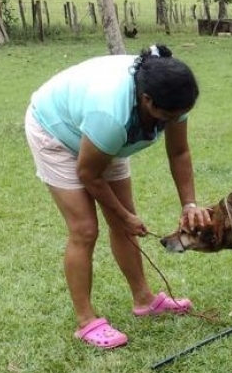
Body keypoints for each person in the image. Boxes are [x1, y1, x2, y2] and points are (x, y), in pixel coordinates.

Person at [25, 44, 211, 349]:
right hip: (55, 131)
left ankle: (144, 300)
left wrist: (189, 203)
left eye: (180, 115)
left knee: (122, 220)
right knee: (84, 229)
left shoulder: (174, 99)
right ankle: (86, 322)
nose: (173, 121)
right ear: (147, 100)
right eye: (167, 116)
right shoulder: (111, 114)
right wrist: (124, 216)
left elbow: (179, 152)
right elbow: (88, 174)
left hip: (102, 141)